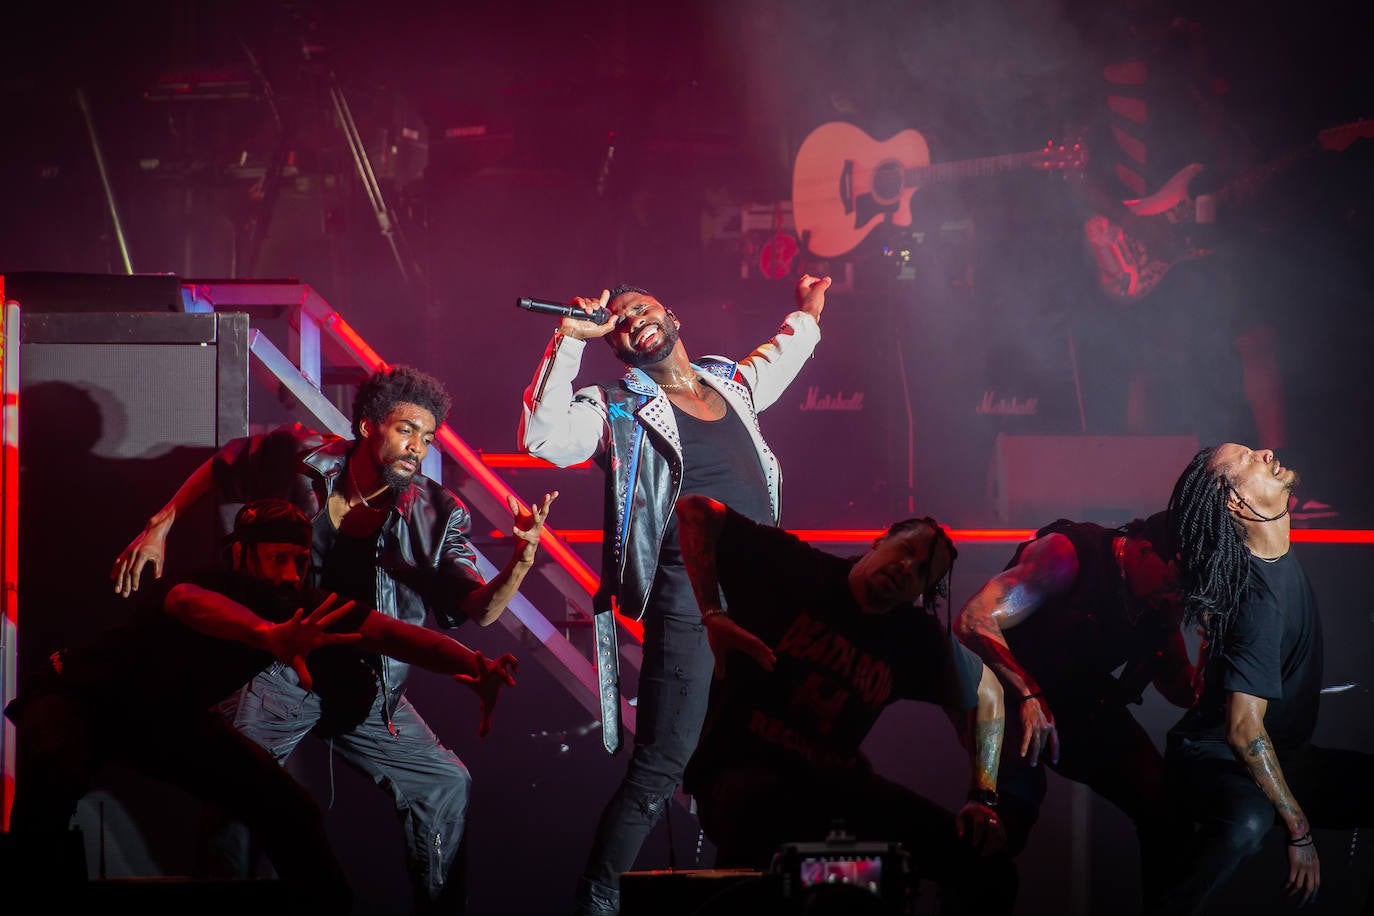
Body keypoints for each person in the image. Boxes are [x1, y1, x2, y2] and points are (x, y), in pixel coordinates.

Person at [110, 365, 557, 915]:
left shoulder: (440, 514)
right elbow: (225, 462)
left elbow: (479, 611)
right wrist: (161, 522)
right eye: (405, 430)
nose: (417, 447)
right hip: (278, 665)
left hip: (365, 683)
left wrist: (521, 560)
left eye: (426, 437)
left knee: (444, 783)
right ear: (369, 426)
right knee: (238, 794)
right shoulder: (300, 457)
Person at [518, 274, 829, 915]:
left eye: (642, 308)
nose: (632, 319)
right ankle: (598, 900)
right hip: (687, 601)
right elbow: (542, 440)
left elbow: (778, 357)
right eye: (621, 321)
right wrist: (568, 341)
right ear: (618, 344)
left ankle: (747, 888)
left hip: (766, 604)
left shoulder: (729, 384)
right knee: (662, 766)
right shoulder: (616, 408)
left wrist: (807, 313)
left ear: (673, 315)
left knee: (763, 755)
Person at [3, 498, 362, 915]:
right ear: (242, 555)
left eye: (299, 561)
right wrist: (265, 633)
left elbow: (393, 634)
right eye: (277, 558)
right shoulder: (202, 584)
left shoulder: (298, 604)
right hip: (82, 696)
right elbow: (187, 601)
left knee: (290, 809)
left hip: (167, 721)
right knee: (51, 770)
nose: (289, 574)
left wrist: (460, 659)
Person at [673, 494, 1015, 915]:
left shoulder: (912, 638)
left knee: (986, 865)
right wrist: (712, 613)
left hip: (830, 787)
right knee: (765, 826)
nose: (907, 568)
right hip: (741, 774)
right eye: (905, 551)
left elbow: (989, 692)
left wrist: (983, 796)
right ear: (879, 542)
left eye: (923, 572)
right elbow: (695, 510)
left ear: (923, 591)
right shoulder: (799, 569)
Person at [1148, 444, 1374, 914]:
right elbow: (1243, 731)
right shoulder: (1258, 601)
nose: (1266, 451)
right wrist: (1300, 831)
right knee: (1246, 826)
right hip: (1217, 762)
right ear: (1235, 501)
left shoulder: (1274, 555)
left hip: (1287, 756)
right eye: (1249, 458)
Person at [953, 514, 1199, 907]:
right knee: (1004, 818)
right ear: (1144, 549)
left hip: (1082, 703)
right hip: (1009, 693)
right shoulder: (1069, 556)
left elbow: (1179, 687)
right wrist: (1030, 694)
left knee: (1168, 811)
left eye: (1182, 592)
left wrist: (1223, 664)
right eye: (1171, 584)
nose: (1173, 599)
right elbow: (973, 621)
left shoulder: (1158, 604)